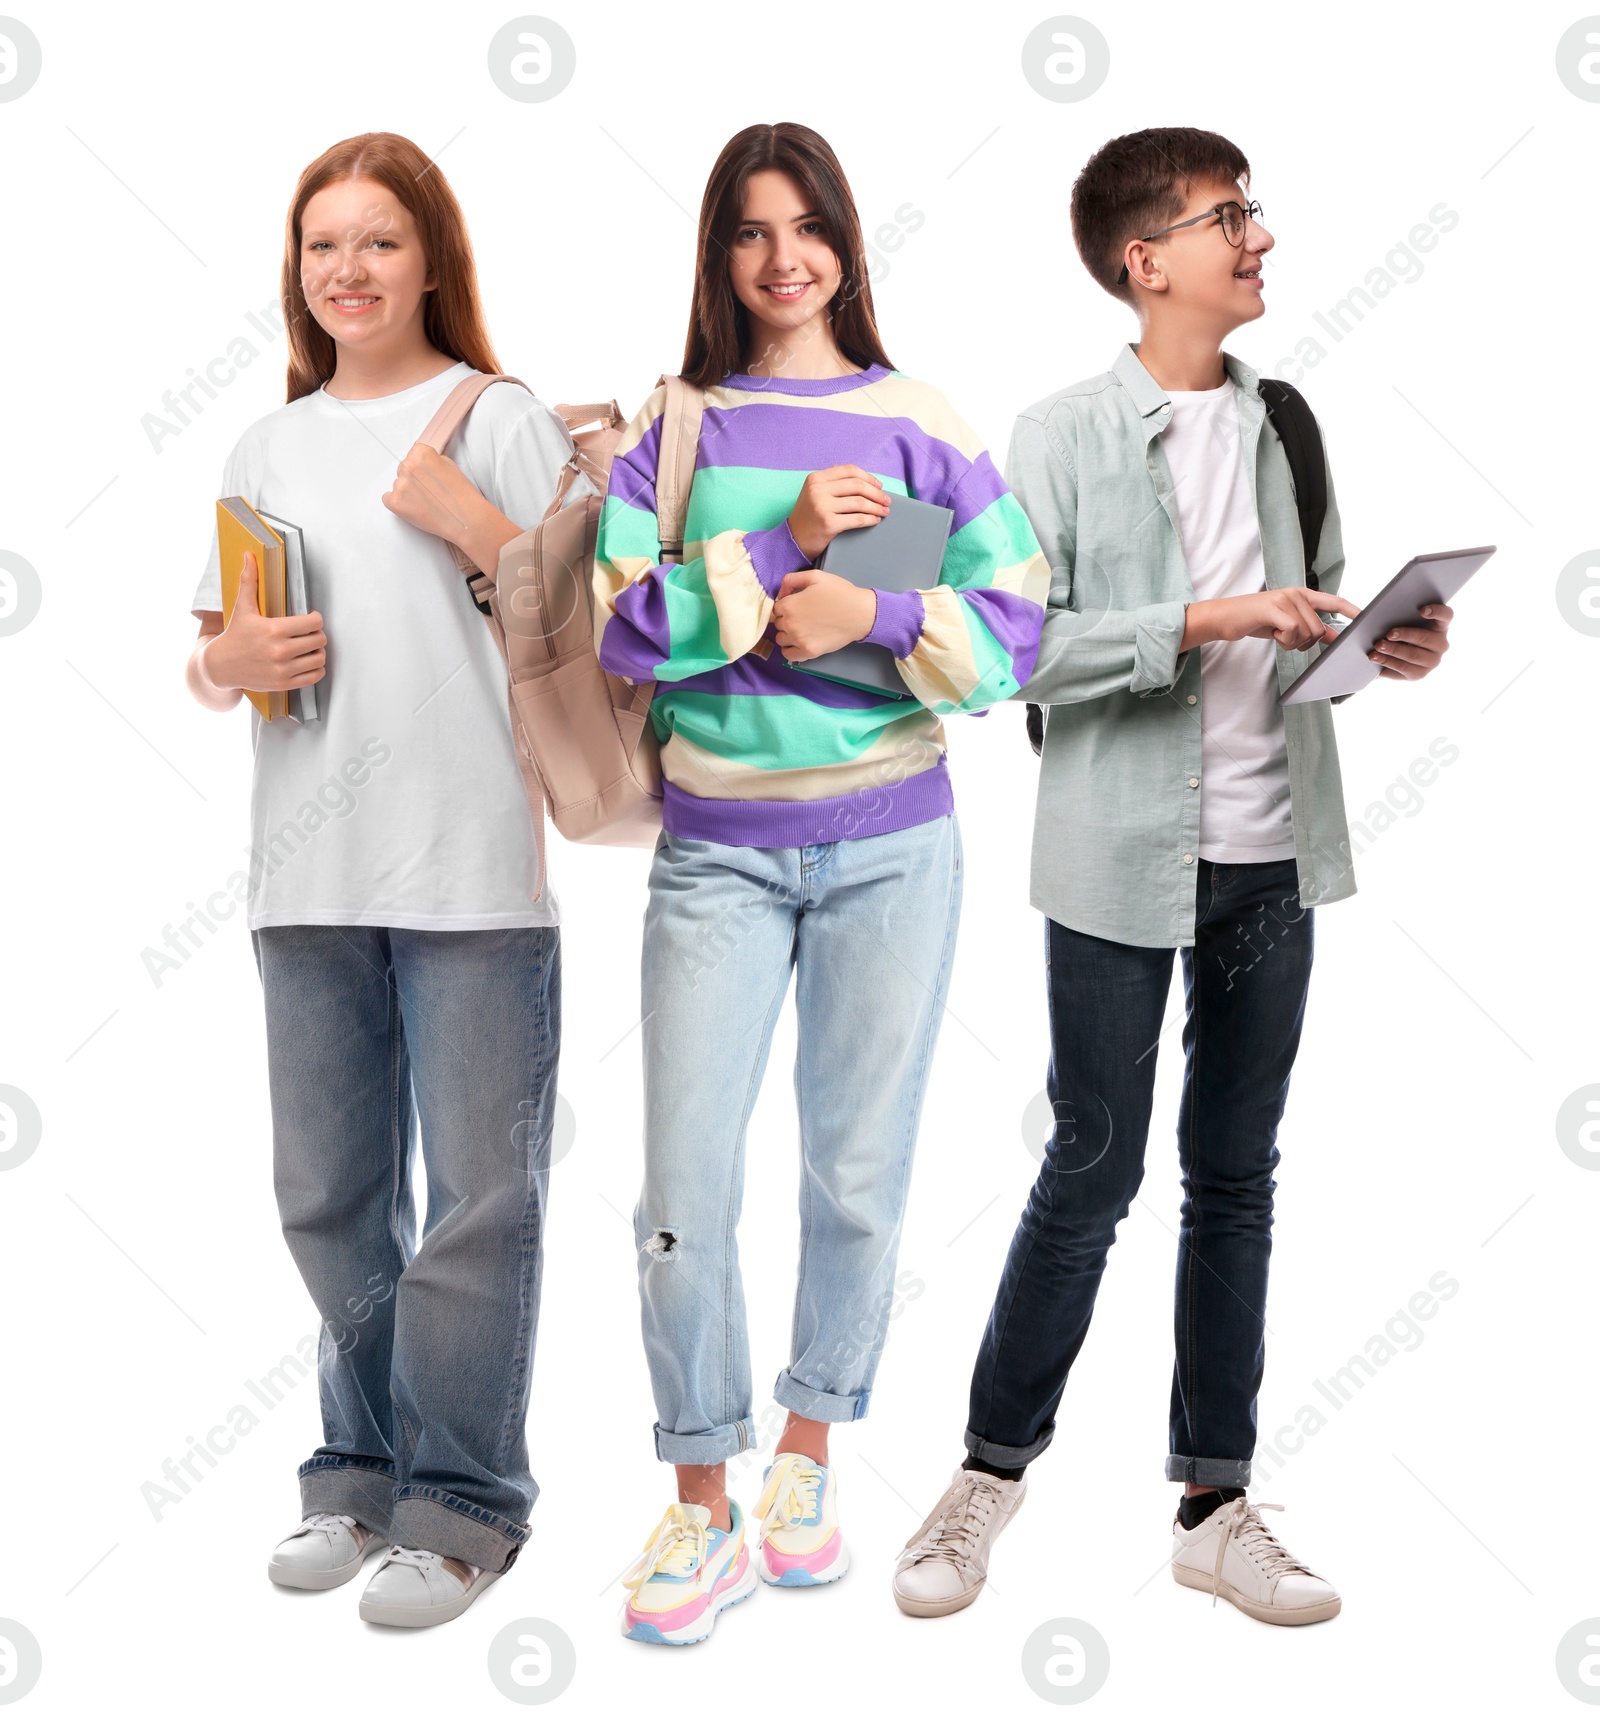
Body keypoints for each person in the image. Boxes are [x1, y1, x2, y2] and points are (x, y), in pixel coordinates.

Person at [892, 127, 1453, 1628]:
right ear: (1147, 262)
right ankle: (987, 1475)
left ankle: (1215, 1501)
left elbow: (1311, 641)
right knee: (1093, 1167)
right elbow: (1010, 652)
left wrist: (1379, 647)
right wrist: (1207, 618)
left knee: (1237, 1176)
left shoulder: (1291, 424)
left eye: (1253, 211)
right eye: (1230, 218)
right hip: (1115, 859)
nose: (1259, 238)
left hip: (1273, 852)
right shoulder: (1058, 432)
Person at [594, 121, 1048, 1646]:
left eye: (808, 226)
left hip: (892, 844)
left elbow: (1007, 630)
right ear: (717, 253)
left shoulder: (912, 421)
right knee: (682, 1191)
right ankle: (699, 1496)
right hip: (716, 855)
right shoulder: (679, 427)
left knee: (855, 1173)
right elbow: (624, 629)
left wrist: (870, 604)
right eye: (749, 230)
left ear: (848, 239)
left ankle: (806, 1459)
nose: (783, 258)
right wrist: (781, 545)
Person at [185, 132, 586, 1628]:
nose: (347, 271)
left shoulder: (500, 420)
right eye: (321, 246)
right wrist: (225, 660)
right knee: (330, 1194)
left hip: (475, 871)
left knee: (479, 1199)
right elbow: (217, 648)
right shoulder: (266, 445)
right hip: (308, 873)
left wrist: (478, 536)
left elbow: (588, 637)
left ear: (432, 261)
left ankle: (466, 1502)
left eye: (378, 242)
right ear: (297, 273)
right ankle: (356, 1474)